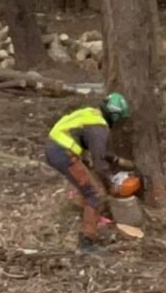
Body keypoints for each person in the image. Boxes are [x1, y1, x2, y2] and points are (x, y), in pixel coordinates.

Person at [44, 92, 131, 250]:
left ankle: (83, 213)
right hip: (63, 154)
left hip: (55, 148)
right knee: (95, 194)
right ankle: (86, 242)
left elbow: (101, 151)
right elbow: (100, 163)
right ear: (115, 116)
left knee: (88, 183)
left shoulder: (90, 114)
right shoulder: (99, 127)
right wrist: (110, 183)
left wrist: (117, 161)